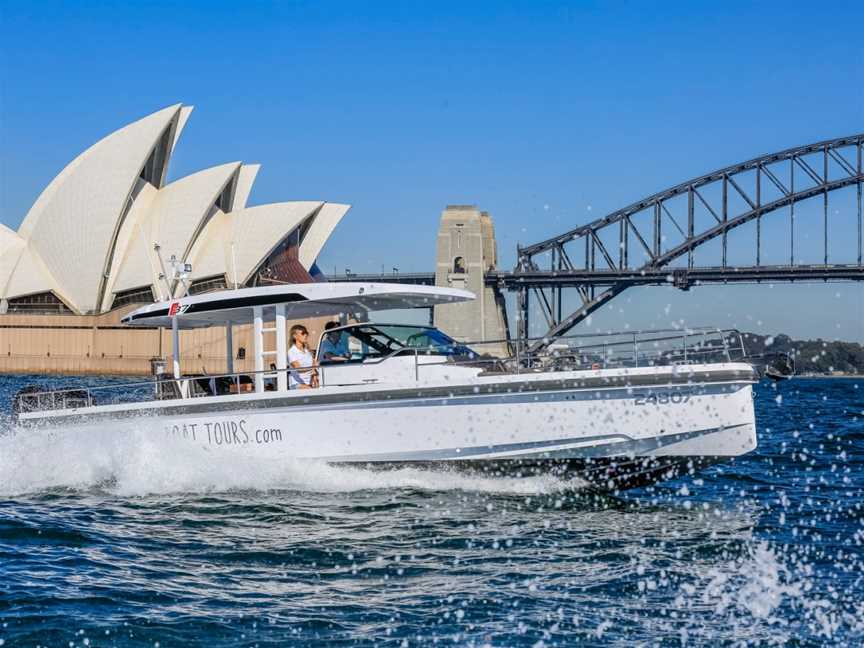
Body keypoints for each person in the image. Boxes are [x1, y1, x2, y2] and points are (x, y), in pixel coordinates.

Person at [288, 324, 318, 389]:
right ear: (295, 336)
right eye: (303, 333)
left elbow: (313, 368)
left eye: (306, 333)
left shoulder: (307, 350)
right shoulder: (292, 352)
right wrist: (313, 367)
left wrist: (315, 378)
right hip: (297, 384)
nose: (305, 335)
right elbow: (299, 369)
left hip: (309, 383)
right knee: (311, 391)